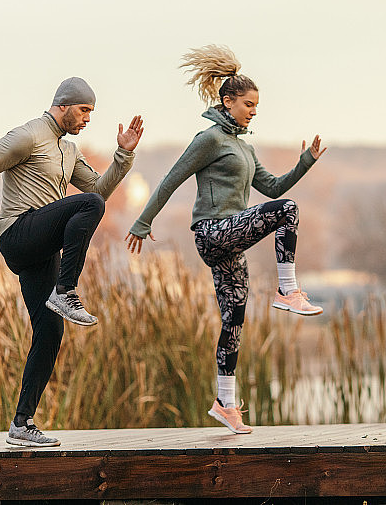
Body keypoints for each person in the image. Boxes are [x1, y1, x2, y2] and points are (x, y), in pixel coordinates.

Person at [0, 77, 144, 446]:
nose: (88, 118)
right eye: (84, 110)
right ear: (63, 104)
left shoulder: (69, 150)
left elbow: (97, 193)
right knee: (89, 206)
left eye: (91, 112)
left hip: (42, 247)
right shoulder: (27, 136)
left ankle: (22, 424)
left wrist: (123, 156)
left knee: (50, 332)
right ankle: (66, 291)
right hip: (18, 234)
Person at [125, 45, 326, 434]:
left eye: (257, 106)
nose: (253, 111)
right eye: (248, 104)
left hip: (231, 239)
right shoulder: (210, 139)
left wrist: (305, 163)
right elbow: (171, 179)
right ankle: (288, 291)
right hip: (213, 233)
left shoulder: (244, 148)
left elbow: (272, 188)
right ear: (228, 101)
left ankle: (226, 404)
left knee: (234, 318)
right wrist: (142, 221)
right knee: (288, 210)